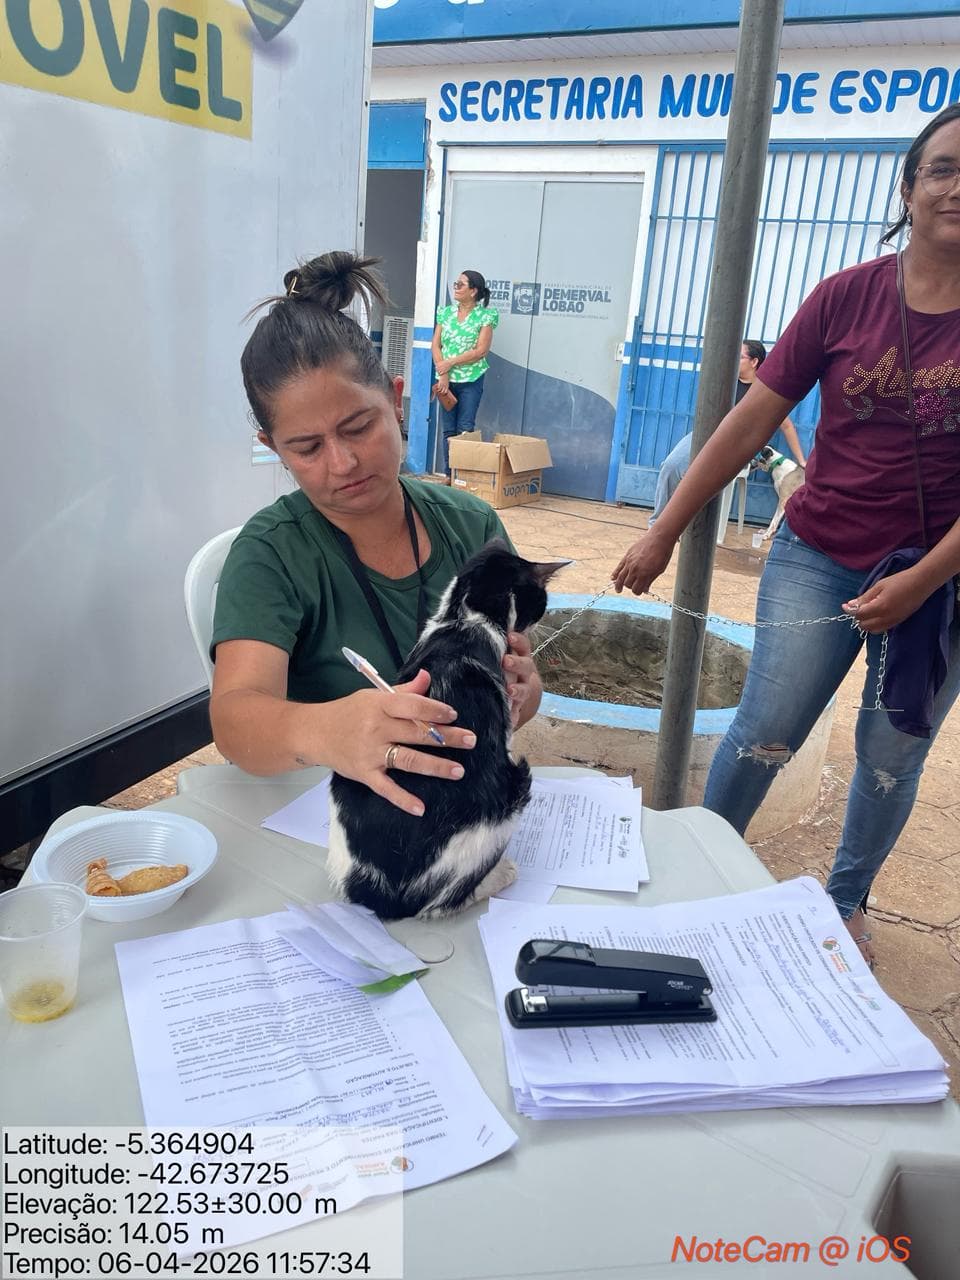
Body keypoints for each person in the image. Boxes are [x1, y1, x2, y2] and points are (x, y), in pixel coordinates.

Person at [613, 103, 960, 968]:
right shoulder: (845, 295)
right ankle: (700, 870)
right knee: (765, 726)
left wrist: (922, 582)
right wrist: (665, 527)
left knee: (890, 755)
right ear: (909, 186)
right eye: (946, 167)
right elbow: (747, 422)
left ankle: (844, 903)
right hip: (817, 555)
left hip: (940, 579)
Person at [210, 252, 542, 817]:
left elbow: (519, 668)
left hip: (452, 801)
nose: (342, 463)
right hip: (328, 814)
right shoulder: (272, 553)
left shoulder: (472, 527)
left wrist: (524, 690)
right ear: (273, 449)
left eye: (359, 426)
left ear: (393, 398)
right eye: (307, 448)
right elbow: (235, 719)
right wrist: (326, 729)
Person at [648, 340, 806, 524]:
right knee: (671, 466)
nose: (733, 362)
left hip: (735, 446)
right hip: (706, 434)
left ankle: (688, 528)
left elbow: (786, 425)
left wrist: (802, 460)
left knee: (702, 479)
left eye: (739, 357)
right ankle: (657, 525)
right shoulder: (727, 383)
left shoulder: (763, 392)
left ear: (754, 362)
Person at [432, 269, 499, 471]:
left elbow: (480, 351)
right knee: (448, 430)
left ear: (473, 291)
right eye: (455, 284)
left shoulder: (485, 317)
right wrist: (443, 374)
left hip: (471, 380)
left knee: (464, 429)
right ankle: (448, 475)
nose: (456, 288)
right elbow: (436, 346)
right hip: (446, 381)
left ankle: (462, 475)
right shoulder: (446, 313)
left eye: (461, 285)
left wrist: (450, 363)